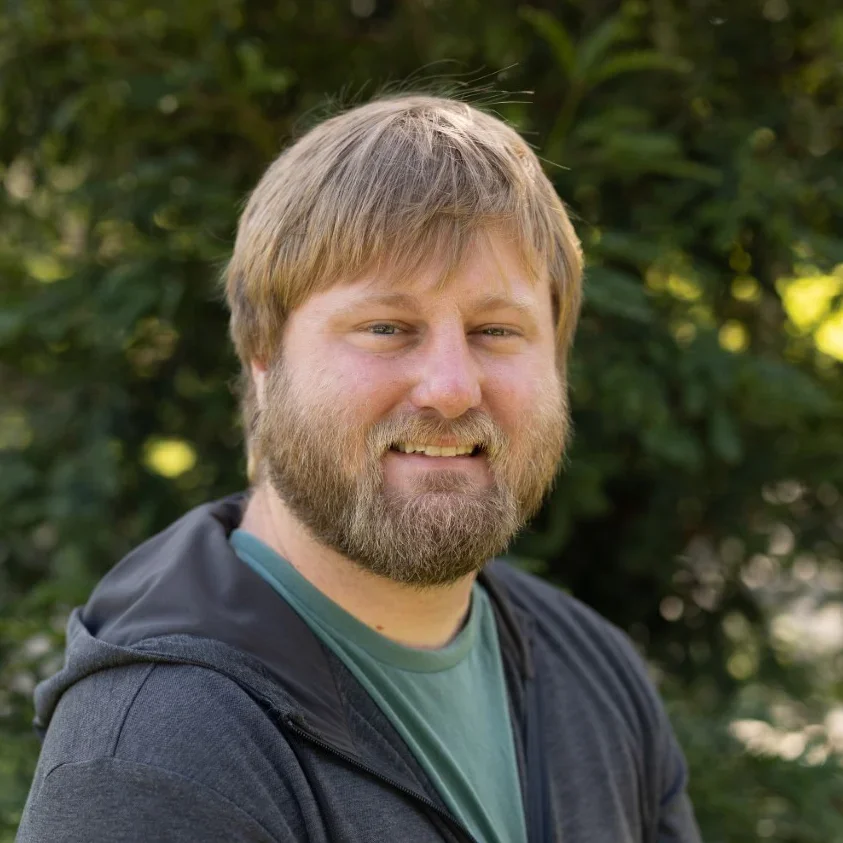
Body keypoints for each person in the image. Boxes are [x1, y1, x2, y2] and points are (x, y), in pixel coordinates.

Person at [17, 95, 701, 843]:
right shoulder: (155, 755)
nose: (450, 387)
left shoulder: (590, 667)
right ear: (264, 358)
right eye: (386, 327)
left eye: (495, 330)